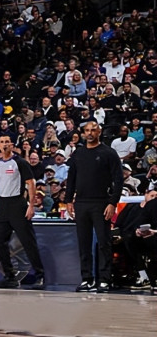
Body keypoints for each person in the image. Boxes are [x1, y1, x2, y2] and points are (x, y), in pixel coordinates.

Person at [66, 120, 123, 293]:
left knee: (104, 242)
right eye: (87, 130)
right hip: (81, 203)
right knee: (83, 243)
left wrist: (112, 202)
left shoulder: (108, 153)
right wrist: (69, 201)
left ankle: (104, 279)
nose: (90, 133)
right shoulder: (78, 153)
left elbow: (118, 179)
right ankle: (87, 279)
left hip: (101, 203)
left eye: (93, 130)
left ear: (99, 132)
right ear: (83, 133)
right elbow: (71, 178)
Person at [0, 135, 46, 290]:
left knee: (28, 241)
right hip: (3, 205)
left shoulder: (19, 162)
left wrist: (31, 205)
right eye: (2, 142)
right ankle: (9, 277)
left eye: (7, 142)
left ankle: (40, 276)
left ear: (12, 144)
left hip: (18, 204)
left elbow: (31, 182)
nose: (4, 144)